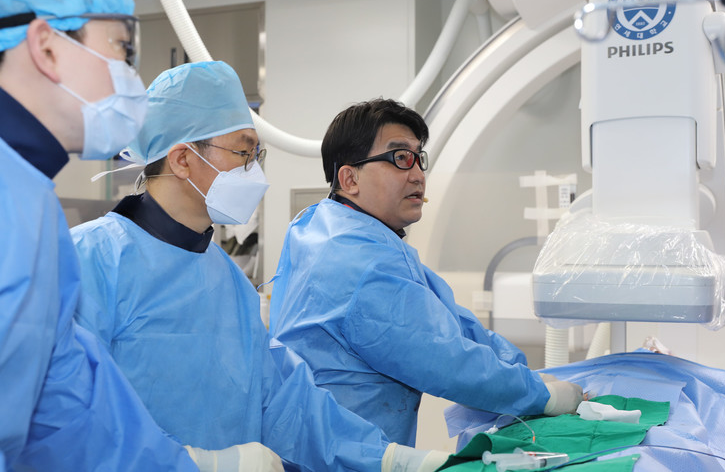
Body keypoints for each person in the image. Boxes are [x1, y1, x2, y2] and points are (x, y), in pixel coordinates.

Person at [71, 61, 450, 472]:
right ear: (182, 159)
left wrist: (390, 459)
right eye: (243, 152)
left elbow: (287, 402)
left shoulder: (227, 280)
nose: (254, 169)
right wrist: (192, 464)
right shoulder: (88, 261)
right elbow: (61, 413)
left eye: (256, 154)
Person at [269, 98, 584, 447]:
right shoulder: (359, 262)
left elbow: (451, 322)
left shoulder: (328, 228)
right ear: (350, 178)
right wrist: (543, 395)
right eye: (400, 157)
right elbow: (447, 360)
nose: (418, 174)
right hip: (345, 453)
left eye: (419, 158)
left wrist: (523, 372)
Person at [0, 0, 200, 470]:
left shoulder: (30, 197)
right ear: (46, 46)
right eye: (122, 49)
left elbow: (63, 396)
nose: (130, 77)